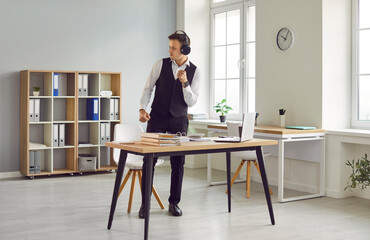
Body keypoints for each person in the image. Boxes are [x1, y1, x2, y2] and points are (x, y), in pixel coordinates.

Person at [138, 30, 200, 218]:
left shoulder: (195, 71)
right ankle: (145, 204)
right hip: (157, 117)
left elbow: (192, 102)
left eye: (173, 48)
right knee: (149, 160)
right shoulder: (160, 64)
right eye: (169, 47)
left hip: (179, 120)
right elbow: (148, 88)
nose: (170, 50)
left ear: (185, 49)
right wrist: (142, 109)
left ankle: (174, 203)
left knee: (178, 162)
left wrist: (185, 83)